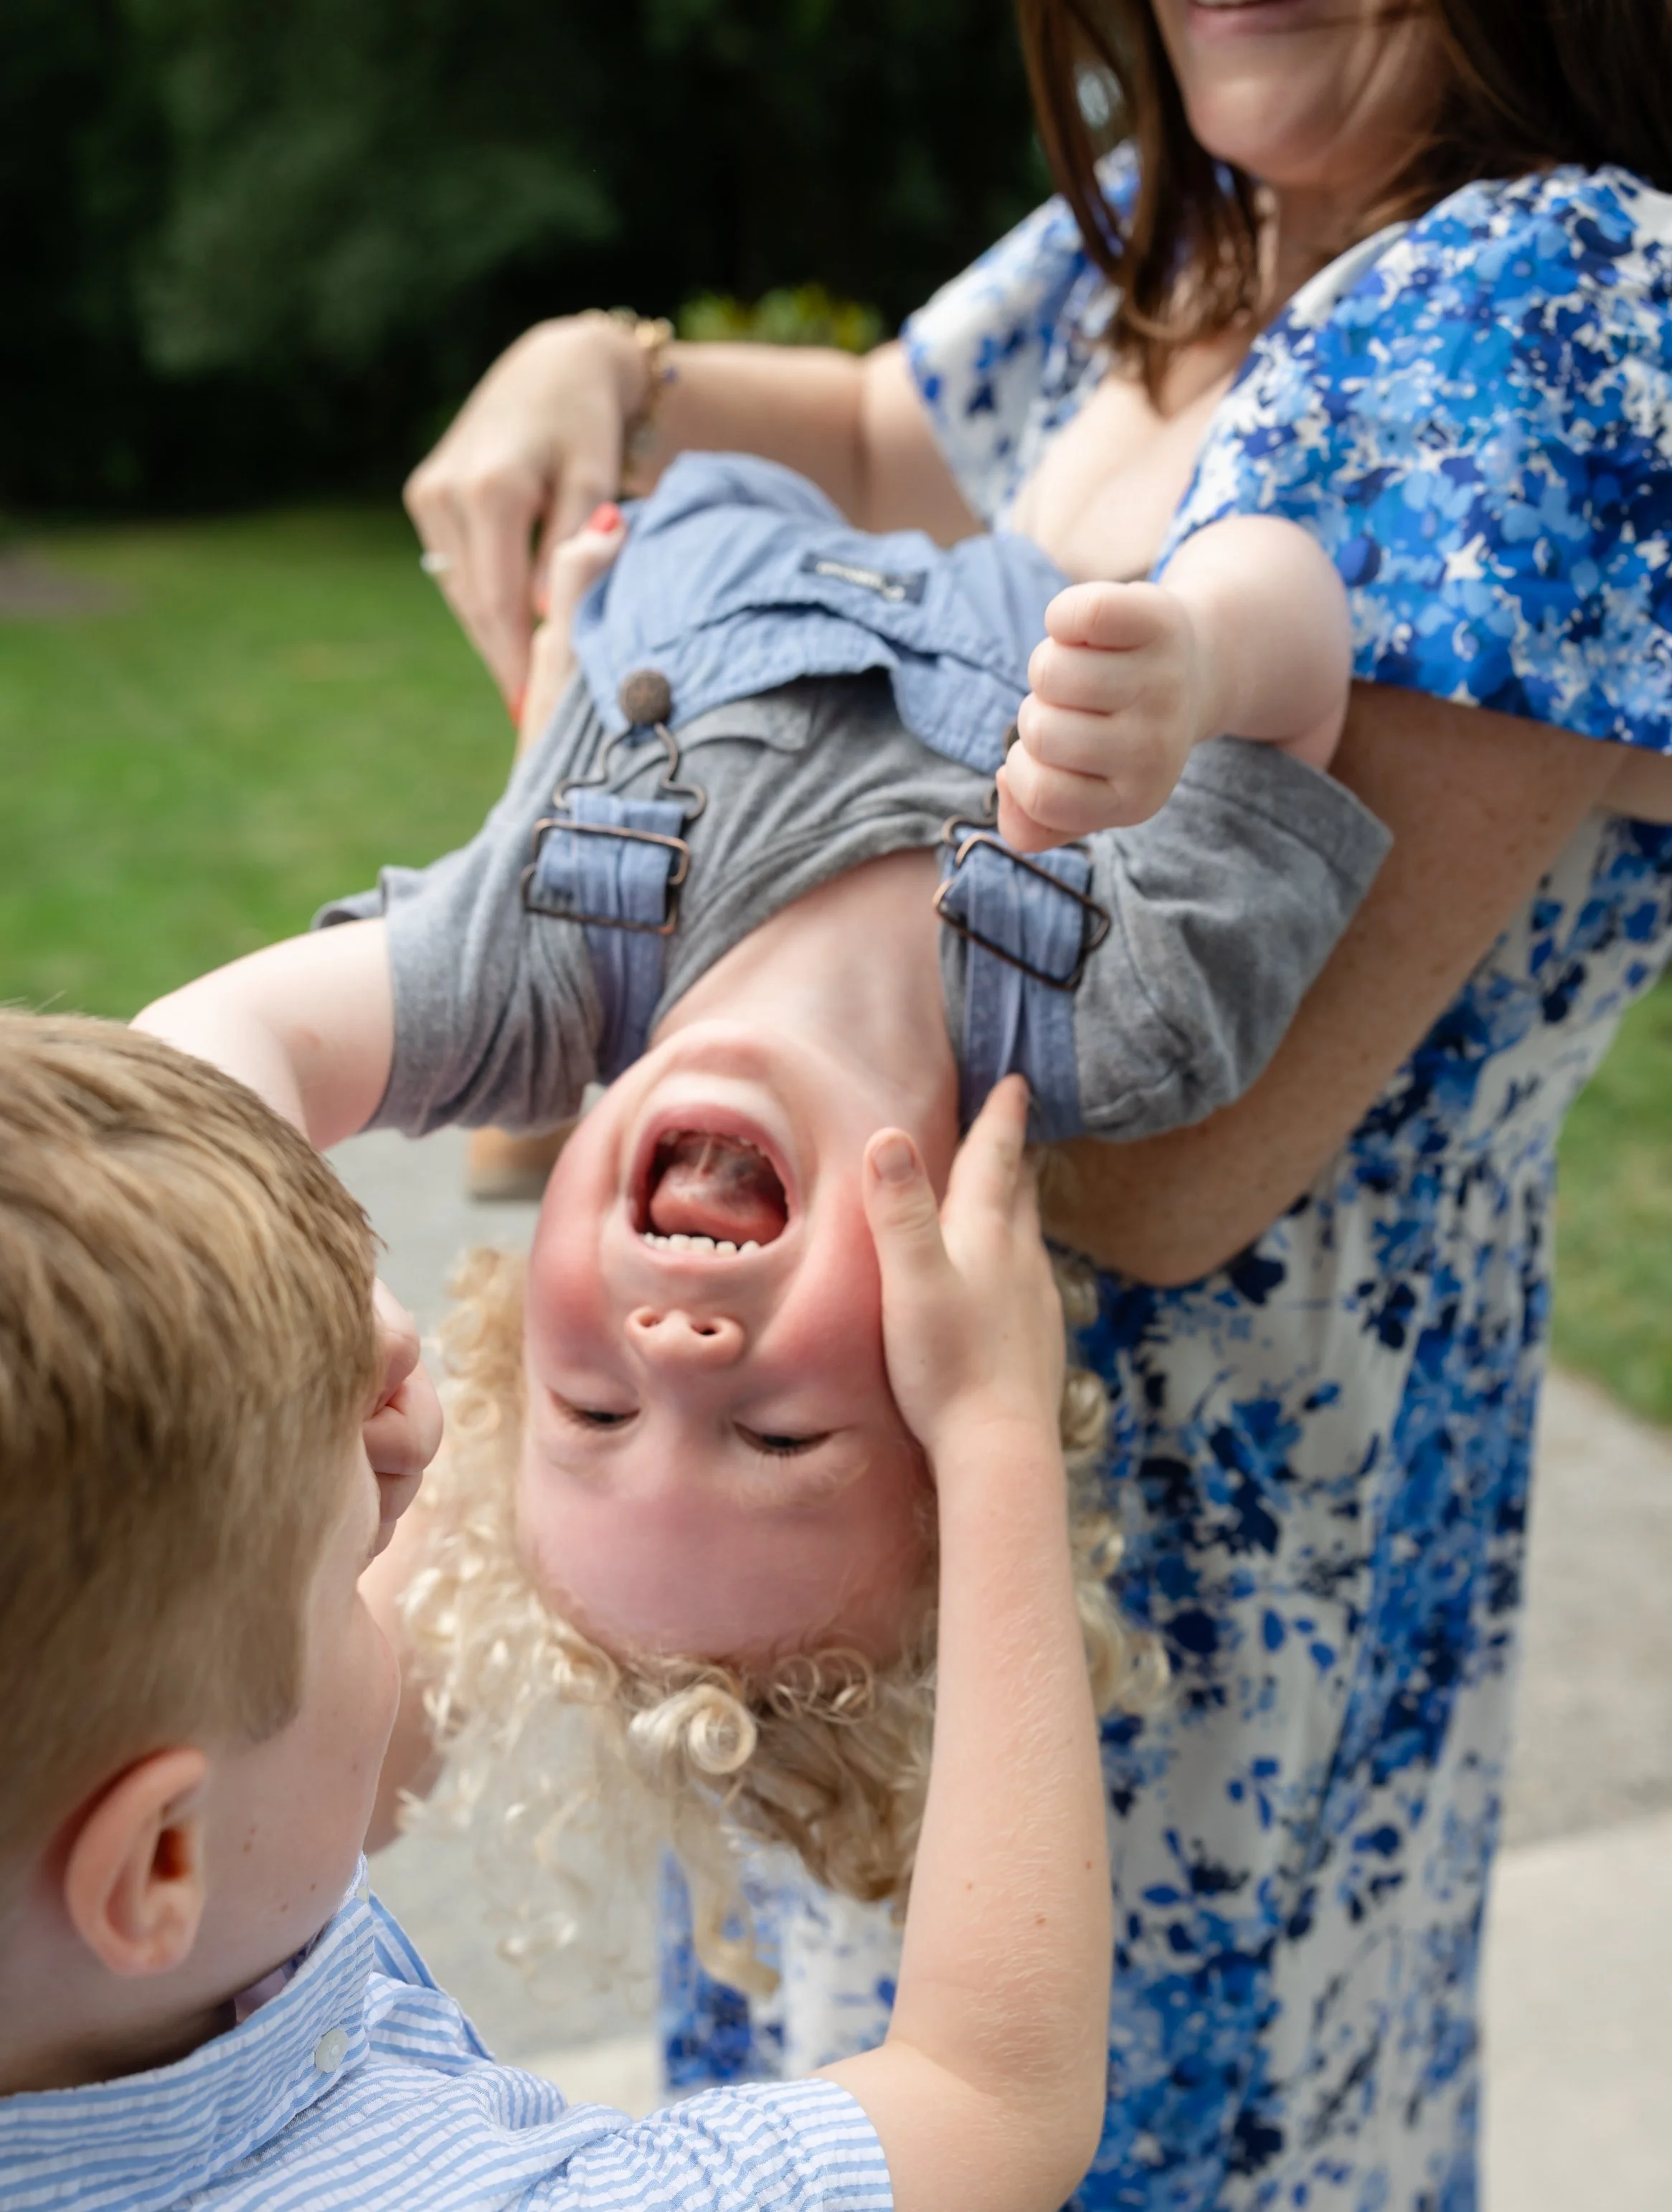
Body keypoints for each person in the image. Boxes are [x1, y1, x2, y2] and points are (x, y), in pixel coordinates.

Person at [397, 4, 1672, 2212]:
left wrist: (641, 822)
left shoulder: (1561, 303)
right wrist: (611, 368)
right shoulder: (1205, 218)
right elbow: (896, 438)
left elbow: (1149, 1165)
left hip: (1158, 1638)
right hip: (863, 1557)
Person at [136, 449, 1386, 1965]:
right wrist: (1199, 655)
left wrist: (307, 1301)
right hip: (1048, 500)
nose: (671, 1346)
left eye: (590, 1409)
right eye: (775, 1440)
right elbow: (1309, 634)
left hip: (694, 505)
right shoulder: (1131, 1013)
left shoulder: (537, 975)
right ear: (954, 1358)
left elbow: (188, 1071)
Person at [0, 1013, 1121, 2212]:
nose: (409, 1476)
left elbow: (294, 1758)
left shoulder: (97, 1949)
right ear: (153, 1864)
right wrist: (992, 1435)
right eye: (343, 1565)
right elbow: (993, 2088)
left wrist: (364, 1374)